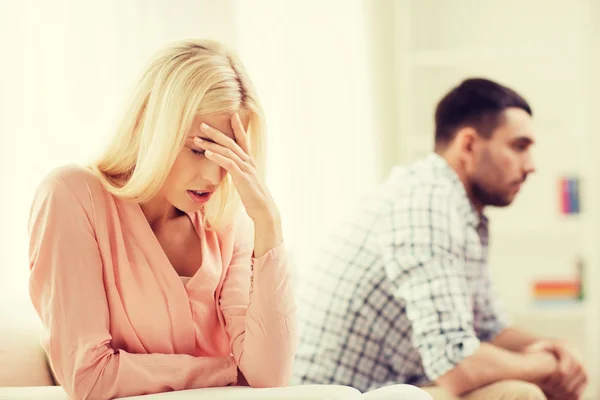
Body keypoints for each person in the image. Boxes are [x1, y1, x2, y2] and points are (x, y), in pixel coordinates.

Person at [27, 39, 298, 400]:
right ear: (153, 128)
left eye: (230, 155)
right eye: (200, 149)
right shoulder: (73, 196)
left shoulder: (230, 223)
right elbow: (89, 378)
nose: (215, 177)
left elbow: (270, 377)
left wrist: (269, 222)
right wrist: (226, 371)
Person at [292, 78, 588, 400]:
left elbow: (491, 329)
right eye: (519, 146)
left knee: (536, 383)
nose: (531, 166)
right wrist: (548, 365)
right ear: (469, 146)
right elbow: (457, 365)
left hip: (397, 385)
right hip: (346, 394)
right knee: (519, 394)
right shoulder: (426, 203)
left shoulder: (461, 212)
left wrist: (560, 350)